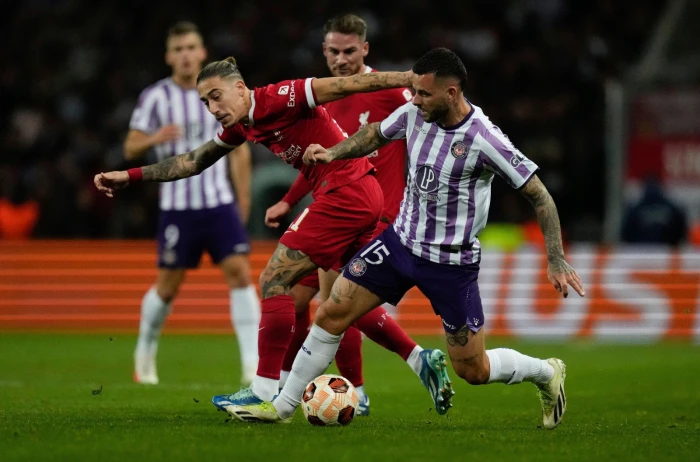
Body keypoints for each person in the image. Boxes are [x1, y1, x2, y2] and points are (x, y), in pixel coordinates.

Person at [234, 48, 586, 429]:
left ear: (451, 93)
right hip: (399, 245)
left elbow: (539, 195)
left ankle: (545, 372)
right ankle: (282, 406)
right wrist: (332, 153)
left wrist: (556, 258)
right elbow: (374, 134)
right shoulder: (414, 113)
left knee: (473, 369)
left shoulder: (484, 139)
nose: (414, 99)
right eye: (414, 91)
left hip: (451, 264)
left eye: (423, 94)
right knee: (332, 311)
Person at [94, 56, 451, 415]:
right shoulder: (243, 125)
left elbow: (346, 85)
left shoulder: (281, 96)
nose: (213, 108)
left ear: (240, 88)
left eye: (216, 97)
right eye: (205, 102)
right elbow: (193, 160)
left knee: (274, 280)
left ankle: (265, 390)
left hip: (345, 193)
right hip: (360, 191)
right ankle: (418, 359)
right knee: (341, 303)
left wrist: (408, 77)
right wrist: (130, 176)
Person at [266, 14, 414, 416]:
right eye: (334, 51)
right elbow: (320, 159)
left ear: (365, 49)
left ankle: (360, 390)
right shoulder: (323, 96)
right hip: (334, 207)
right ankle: (282, 381)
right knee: (294, 296)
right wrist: (288, 200)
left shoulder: (390, 92)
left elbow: (428, 121)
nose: (341, 59)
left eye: (350, 51)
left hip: (377, 216)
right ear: (324, 51)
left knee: (335, 304)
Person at [123, 22, 260, 385]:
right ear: (169, 56)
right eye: (178, 49)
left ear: (202, 52)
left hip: (218, 203)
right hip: (177, 207)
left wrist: (243, 199)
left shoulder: (220, 94)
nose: (185, 55)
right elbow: (130, 147)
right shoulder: (156, 97)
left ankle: (252, 365)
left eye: (191, 47)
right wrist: (154, 137)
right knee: (168, 286)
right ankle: (144, 352)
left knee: (240, 274)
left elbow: (239, 151)